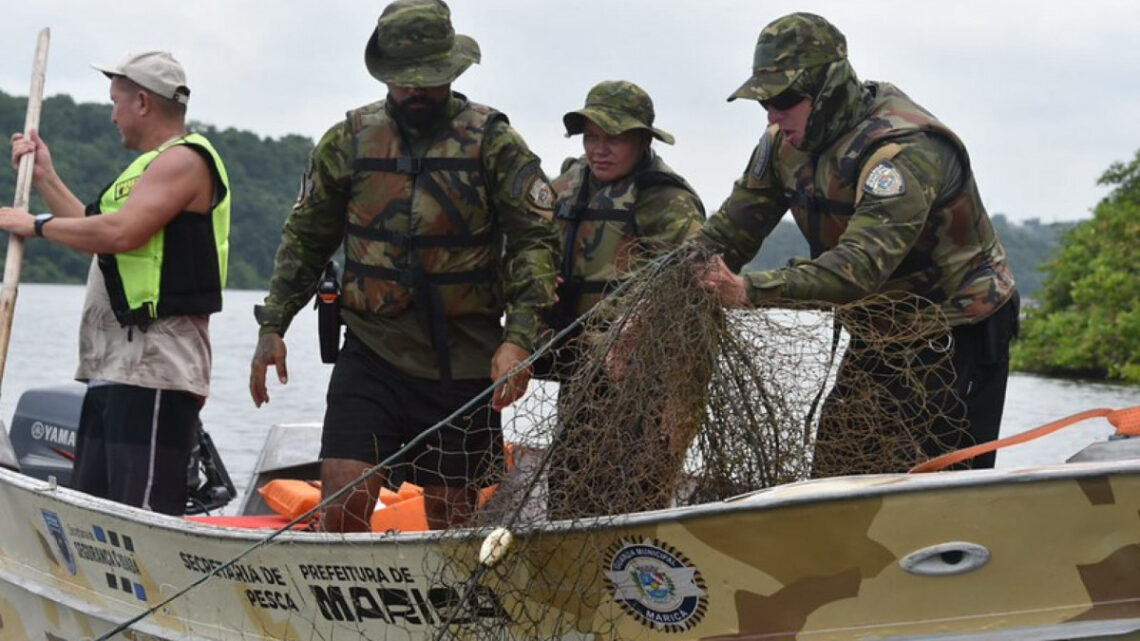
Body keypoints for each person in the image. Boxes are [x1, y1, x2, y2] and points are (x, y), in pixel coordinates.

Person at [248, 0, 560, 532]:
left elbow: (535, 240)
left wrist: (520, 340)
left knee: (450, 514)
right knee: (343, 498)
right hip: (373, 348)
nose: (416, 90)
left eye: (428, 79)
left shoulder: (494, 142)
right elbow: (306, 237)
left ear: (451, 71)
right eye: (404, 80)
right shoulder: (349, 140)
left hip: (463, 355)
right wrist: (274, 324)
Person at [696, 13, 1019, 474]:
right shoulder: (781, 145)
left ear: (827, 90)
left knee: (938, 482)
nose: (772, 114)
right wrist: (666, 286)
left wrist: (750, 290)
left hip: (958, 324)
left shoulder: (903, 151)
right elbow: (728, 234)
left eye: (784, 100)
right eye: (764, 101)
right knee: (839, 469)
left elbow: (860, 267)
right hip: (878, 326)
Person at [0, 51, 231, 514]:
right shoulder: (143, 171)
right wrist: (45, 176)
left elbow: (121, 233)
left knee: (138, 516)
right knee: (93, 514)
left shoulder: (185, 160)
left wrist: (36, 225)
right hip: (112, 365)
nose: (112, 116)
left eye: (115, 102)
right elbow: (94, 232)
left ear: (142, 102)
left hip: (156, 363)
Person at [541, 80, 705, 518]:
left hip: (643, 379)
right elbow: (526, 245)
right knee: (568, 492)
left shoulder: (669, 201)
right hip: (578, 370)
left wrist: (682, 402)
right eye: (591, 137)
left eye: (613, 138)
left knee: (636, 501)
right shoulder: (566, 186)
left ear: (642, 140)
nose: (599, 150)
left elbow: (696, 295)